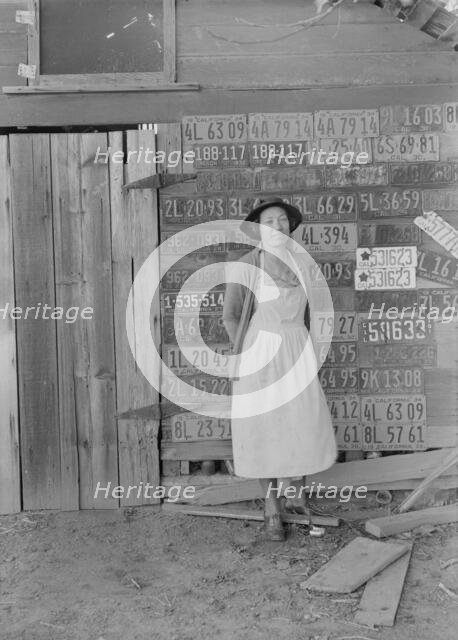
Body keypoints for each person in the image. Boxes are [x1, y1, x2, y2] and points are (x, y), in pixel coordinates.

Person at [223, 196, 337, 541]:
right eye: (270, 222)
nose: (277, 227)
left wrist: (314, 355)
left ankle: (297, 497)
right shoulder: (246, 265)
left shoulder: (303, 265)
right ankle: (272, 510)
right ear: (259, 229)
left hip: (296, 349)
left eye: (282, 221)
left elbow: (317, 313)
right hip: (261, 354)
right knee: (264, 428)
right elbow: (230, 316)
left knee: (301, 421)